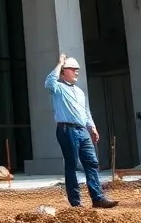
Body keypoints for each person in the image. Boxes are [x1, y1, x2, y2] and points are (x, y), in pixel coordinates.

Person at [46, 53, 118, 209]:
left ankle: (97, 198)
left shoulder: (79, 92)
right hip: (67, 130)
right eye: (72, 69)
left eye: (77, 69)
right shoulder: (58, 87)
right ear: (64, 71)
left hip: (82, 130)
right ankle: (76, 202)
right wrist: (59, 63)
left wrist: (92, 127)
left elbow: (86, 111)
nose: (76, 72)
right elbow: (48, 82)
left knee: (91, 163)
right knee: (71, 164)